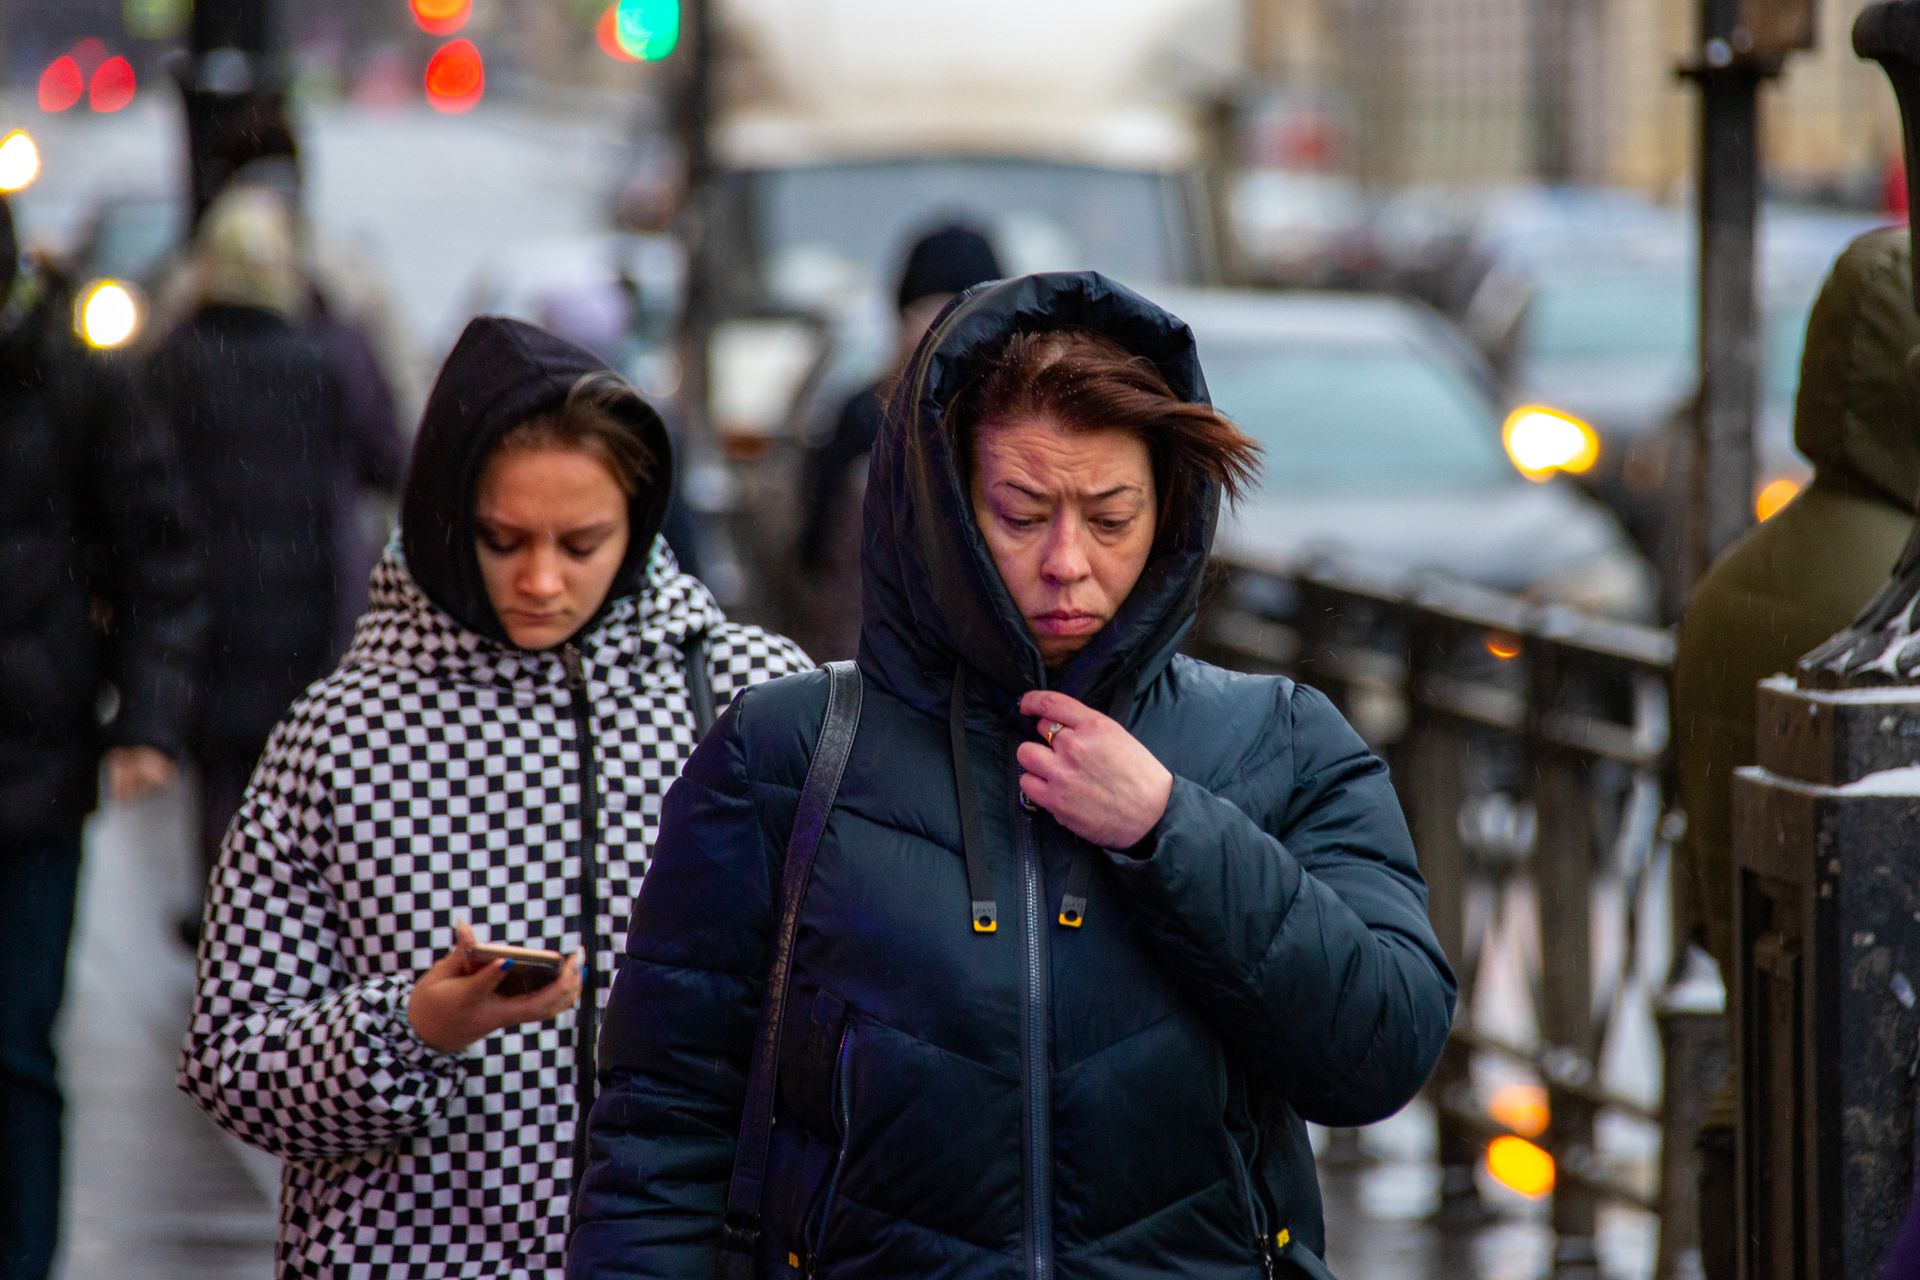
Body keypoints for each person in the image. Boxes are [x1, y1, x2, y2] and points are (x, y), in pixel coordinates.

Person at [571, 272, 1457, 1278]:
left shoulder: (1281, 741)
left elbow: (1381, 1048)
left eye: (1111, 518)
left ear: (1170, 510)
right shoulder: (783, 755)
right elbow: (662, 1124)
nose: (1068, 561)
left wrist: (1169, 828)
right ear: (942, 511)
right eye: (1022, 514)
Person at [178, 315, 812, 1278]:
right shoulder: (341, 736)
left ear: (640, 523)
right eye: (503, 539)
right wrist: (415, 1029)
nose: (541, 580)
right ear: (446, 517)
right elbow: (229, 1059)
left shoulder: (750, 700)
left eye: (582, 542)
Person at [1672, 226, 1920, 1280]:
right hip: (1872, 1151)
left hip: (1755, 1110)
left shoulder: (1741, 575)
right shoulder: (1893, 600)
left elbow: (1703, 891)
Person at [0, 193, 205, 1280]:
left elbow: (157, 552)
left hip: (33, 761)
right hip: (43, 741)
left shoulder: (73, 376)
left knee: (16, 1043)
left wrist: (149, 719)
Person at [147, 183, 405, 947]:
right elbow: (386, 456)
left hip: (209, 608)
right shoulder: (325, 353)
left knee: (222, 772)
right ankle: (296, 925)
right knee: (301, 771)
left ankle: (229, 918)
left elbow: (143, 486)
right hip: (309, 602)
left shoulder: (175, 361)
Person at [789, 221, 1002, 658]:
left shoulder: (1022, 419)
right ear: (903, 319)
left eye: (965, 313)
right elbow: (816, 551)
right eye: (931, 313)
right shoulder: (863, 416)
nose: (947, 332)